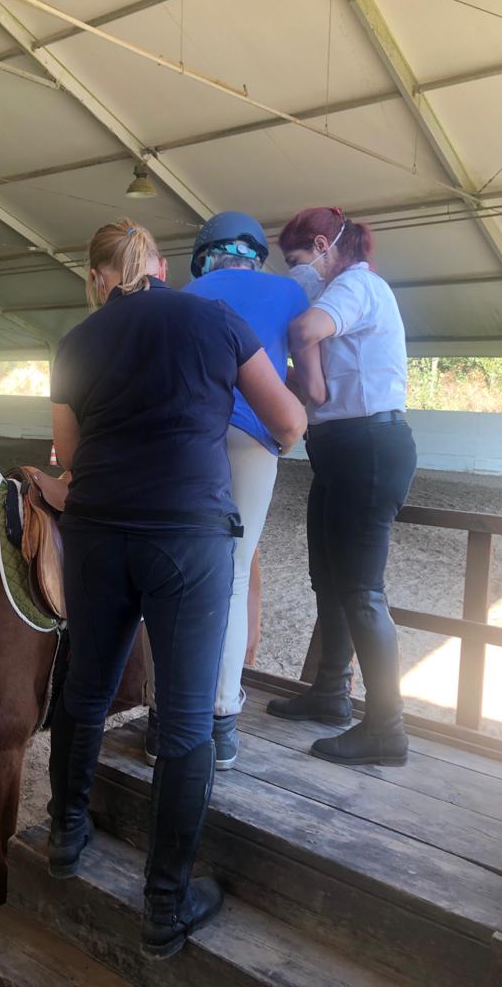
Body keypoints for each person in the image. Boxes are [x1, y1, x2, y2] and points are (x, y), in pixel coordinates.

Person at [48, 218, 306, 959]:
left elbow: (68, 451)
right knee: (188, 723)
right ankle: (165, 905)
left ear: (97, 275)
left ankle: (67, 836)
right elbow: (287, 422)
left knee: (85, 689)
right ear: (161, 265)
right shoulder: (213, 316)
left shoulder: (78, 342)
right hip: (188, 539)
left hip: (98, 531)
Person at [141, 211, 310, 770]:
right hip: (256, 439)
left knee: (173, 573)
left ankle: (165, 717)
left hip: (188, 440)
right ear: (257, 253)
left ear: (203, 253)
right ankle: (222, 722)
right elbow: (305, 378)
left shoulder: (186, 294)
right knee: (234, 575)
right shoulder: (288, 292)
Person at [266, 207, 417, 767]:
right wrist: (304, 386)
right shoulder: (340, 294)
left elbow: (304, 333)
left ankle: (386, 728)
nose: (296, 273)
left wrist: (313, 387)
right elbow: (311, 373)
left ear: (326, 245)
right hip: (340, 451)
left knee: (361, 591)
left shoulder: (357, 284)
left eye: (298, 260)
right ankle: (331, 693)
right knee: (326, 580)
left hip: (368, 447)